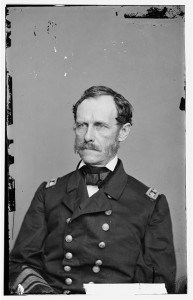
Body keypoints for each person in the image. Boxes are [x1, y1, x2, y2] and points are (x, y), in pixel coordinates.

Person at [9, 86, 176, 295]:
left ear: (123, 131)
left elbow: (157, 287)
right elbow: (19, 265)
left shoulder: (150, 204)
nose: (87, 136)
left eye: (100, 126)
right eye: (81, 125)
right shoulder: (48, 193)